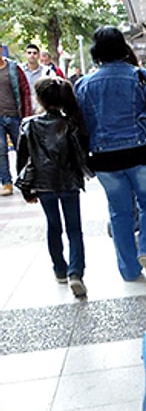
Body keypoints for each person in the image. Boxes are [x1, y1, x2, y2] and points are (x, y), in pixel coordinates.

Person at [74, 26, 146, 281]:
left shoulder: (83, 85)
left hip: (105, 159)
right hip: (142, 153)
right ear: (123, 48)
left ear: (96, 52)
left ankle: (128, 269)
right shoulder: (142, 77)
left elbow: (79, 125)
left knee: (119, 212)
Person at [15, 77, 93, 297]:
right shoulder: (71, 124)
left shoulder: (29, 125)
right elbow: (80, 153)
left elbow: (22, 160)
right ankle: (76, 273)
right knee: (74, 229)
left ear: (39, 98)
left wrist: (26, 189)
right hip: (69, 182)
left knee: (53, 226)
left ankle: (59, 268)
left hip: (43, 183)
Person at [0, 51, 33, 195]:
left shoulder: (13, 67)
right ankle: (6, 183)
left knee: (23, 148)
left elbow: (25, 90)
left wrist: (26, 114)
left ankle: (26, 179)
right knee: (0, 149)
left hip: (14, 115)